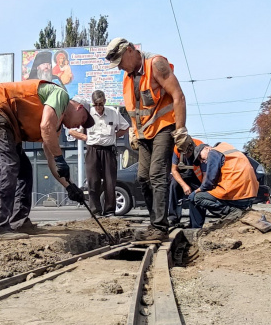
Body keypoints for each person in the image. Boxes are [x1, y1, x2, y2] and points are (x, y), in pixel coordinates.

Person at [0, 79, 95, 240]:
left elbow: (51, 161)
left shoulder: (56, 125)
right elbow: (45, 127)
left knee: (24, 170)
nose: (79, 127)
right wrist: (60, 158)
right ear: (79, 108)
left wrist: (69, 186)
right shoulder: (61, 95)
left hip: (7, 122)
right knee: (5, 166)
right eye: (83, 120)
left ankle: (18, 222)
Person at [105, 37, 190, 241]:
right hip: (144, 132)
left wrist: (180, 130)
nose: (120, 68)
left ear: (130, 51)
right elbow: (135, 110)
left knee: (157, 174)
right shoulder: (128, 76)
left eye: (120, 62)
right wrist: (134, 132)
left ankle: (160, 227)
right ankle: (155, 223)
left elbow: (178, 96)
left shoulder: (156, 64)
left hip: (164, 127)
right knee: (143, 177)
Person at [68, 90, 129, 217]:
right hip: (92, 150)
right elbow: (72, 131)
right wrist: (86, 138)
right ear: (93, 104)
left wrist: (114, 136)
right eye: (96, 104)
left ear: (105, 102)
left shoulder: (113, 112)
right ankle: (95, 211)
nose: (99, 107)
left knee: (110, 182)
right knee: (93, 181)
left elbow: (125, 127)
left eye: (101, 104)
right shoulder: (87, 113)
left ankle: (110, 211)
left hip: (108, 150)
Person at [188, 142, 259, 228]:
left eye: (200, 158)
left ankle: (232, 212)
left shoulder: (213, 152)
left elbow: (209, 182)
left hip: (237, 194)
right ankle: (237, 210)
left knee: (198, 197)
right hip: (250, 195)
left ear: (206, 148)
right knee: (210, 195)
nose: (203, 161)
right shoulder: (228, 150)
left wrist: (196, 191)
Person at [168, 138, 206, 226]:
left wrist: (201, 188)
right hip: (182, 175)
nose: (186, 156)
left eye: (188, 153)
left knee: (198, 195)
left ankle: (196, 223)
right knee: (174, 185)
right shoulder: (176, 149)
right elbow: (174, 170)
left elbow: (205, 172)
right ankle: (173, 218)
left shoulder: (201, 147)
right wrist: (184, 185)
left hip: (197, 176)